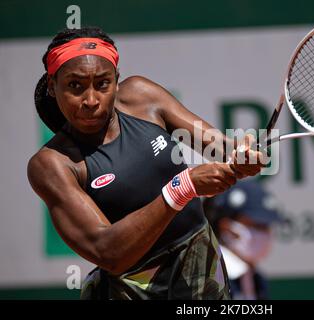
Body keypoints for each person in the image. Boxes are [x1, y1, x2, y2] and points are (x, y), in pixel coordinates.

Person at [27, 26, 264, 300]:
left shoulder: (142, 95)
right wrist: (182, 187)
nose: (91, 100)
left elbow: (220, 146)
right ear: (53, 86)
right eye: (75, 86)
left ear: (116, 80)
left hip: (203, 274)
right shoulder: (51, 165)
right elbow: (108, 252)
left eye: (102, 83)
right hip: (130, 291)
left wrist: (240, 152)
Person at [204, 179, 282, 300]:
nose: (265, 234)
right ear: (227, 228)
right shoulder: (207, 278)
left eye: (267, 226)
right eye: (257, 225)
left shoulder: (257, 281)